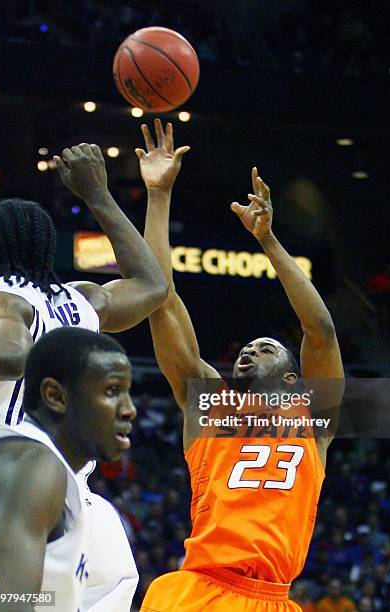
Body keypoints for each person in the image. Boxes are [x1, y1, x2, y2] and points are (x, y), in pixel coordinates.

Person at [138, 119, 344, 611]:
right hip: (202, 591)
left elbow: (321, 332)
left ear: (294, 380)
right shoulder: (209, 405)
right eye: (247, 347)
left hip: (272, 597)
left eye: (267, 347)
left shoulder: (313, 421)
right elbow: (161, 301)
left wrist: (269, 241)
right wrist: (159, 196)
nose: (250, 350)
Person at [0, 143, 167, 610]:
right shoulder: (81, 301)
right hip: (85, 518)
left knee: (12, 599)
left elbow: (9, 354)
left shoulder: (2, 301)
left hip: (12, 489)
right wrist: (98, 194)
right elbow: (153, 285)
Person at [0, 326, 137, 611]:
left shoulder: (43, 467)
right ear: (55, 396)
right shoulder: (33, 467)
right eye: (111, 391)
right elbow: (4, 602)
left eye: (127, 392)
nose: (129, 409)